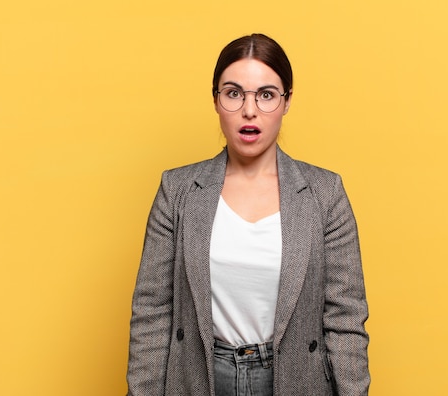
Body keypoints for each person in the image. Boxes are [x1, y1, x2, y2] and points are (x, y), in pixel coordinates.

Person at [127, 33, 370, 395]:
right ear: (216, 100)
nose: (250, 110)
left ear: (287, 102)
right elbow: (152, 314)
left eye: (267, 95)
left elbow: (346, 320)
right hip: (201, 377)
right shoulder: (177, 190)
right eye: (234, 93)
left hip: (293, 379)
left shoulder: (325, 194)